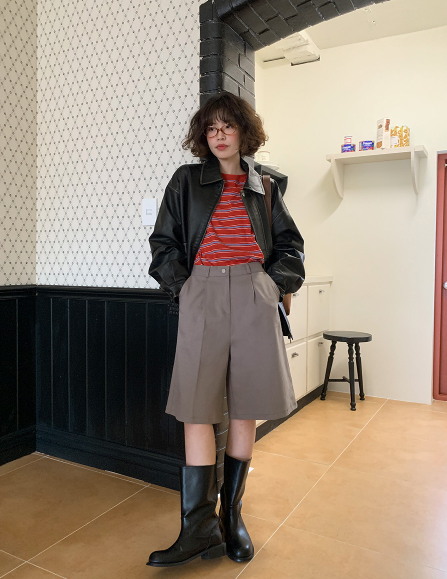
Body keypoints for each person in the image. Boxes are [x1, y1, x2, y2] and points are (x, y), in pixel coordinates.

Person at [146, 91, 305, 567]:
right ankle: (198, 529)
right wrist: (185, 288)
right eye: (211, 128)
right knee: (196, 408)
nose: (219, 135)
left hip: (255, 292)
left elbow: (291, 246)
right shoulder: (186, 181)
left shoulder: (266, 186)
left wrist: (274, 285)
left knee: (246, 407)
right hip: (203, 292)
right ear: (204, 135)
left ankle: (230, 518)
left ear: (243, 132)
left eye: (227, 126)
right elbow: (163, 242)